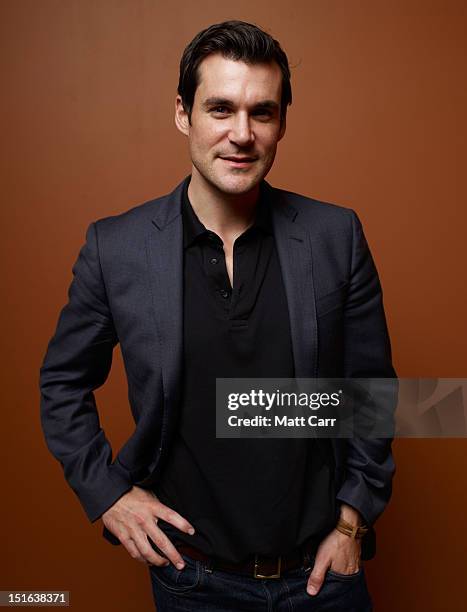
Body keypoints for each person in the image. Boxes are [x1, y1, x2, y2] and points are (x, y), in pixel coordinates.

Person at [39, 20, 396, 612]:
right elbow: (61, 382)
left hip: (324, 578)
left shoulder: (337, 236)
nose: (241, 134)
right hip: (193, 582)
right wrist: (108, 495)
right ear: (183, 113)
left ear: (282, 121)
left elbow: (372, 391)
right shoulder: (116, 248)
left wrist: (353, 522)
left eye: (263, 112)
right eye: (220, 109)